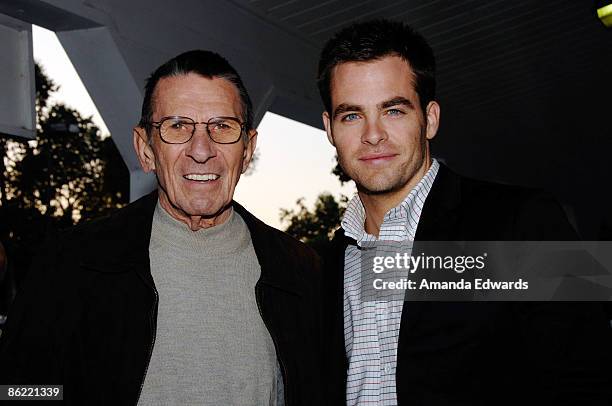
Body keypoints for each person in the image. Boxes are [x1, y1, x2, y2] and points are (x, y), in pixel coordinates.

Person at [0, 50, 324, 406]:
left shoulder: (300, 271)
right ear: (145, 149)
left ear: (247, 150)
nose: (201, 150)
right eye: (177, 126)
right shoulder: (73, 262)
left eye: (222, 127)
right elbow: (19, 390)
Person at [317, 20, 612, 405]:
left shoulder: (522, 220)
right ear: (329, 128)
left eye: (393, 110)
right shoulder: (323, 267)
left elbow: (593, 377)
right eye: (351, 115)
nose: (373, 134)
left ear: (431, 119)